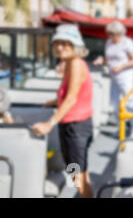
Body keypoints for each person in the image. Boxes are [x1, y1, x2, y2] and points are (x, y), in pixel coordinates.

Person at [32, 24, 94, 198]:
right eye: (57, 43)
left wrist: (49, 124)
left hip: (76, 127)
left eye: (65, 44)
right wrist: (53, 101)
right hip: (73, 125)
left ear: (75, 46)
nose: (60, 47)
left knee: (77, 174)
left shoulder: (75, 63)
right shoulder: (68, 63)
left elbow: (71, 98)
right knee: (80, 173)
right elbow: (67, 93)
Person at [93, 21, 133, 132]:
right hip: (113, 77)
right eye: (111, 34)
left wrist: (122, 66)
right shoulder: (108, 42)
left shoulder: (127, 42)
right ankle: (120, 129)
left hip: (126, 76)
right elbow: (108, 59)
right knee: (115, 103)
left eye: (116, 34)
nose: (113, 37)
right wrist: (102, 61)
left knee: (130, 102)